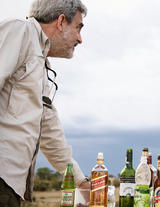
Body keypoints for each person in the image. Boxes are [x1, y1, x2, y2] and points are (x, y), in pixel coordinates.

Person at [0, 0, 90, 206]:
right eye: (78, 27)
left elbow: (49, 131)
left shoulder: (40, 63)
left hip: (11, 186)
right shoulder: (19, 31)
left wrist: (81, 181)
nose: (80, 39)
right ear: (60, 21)